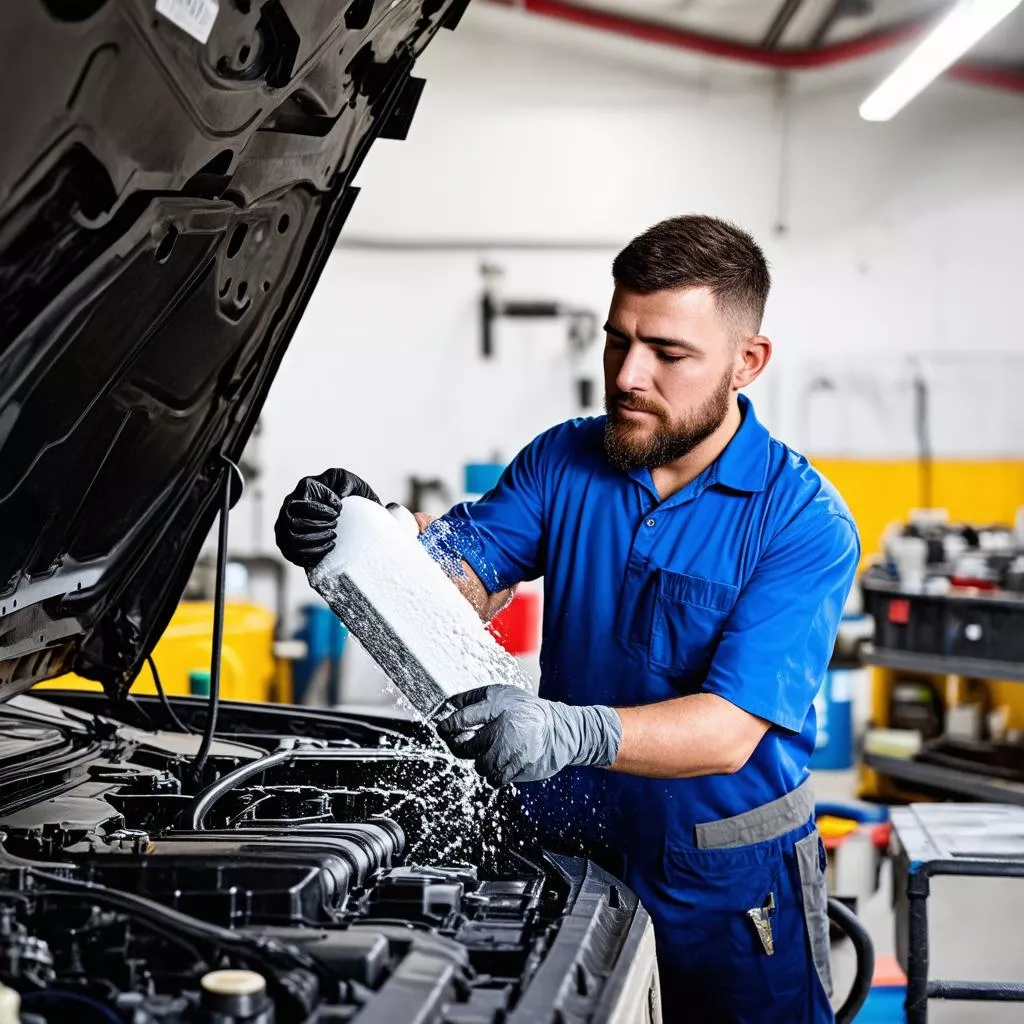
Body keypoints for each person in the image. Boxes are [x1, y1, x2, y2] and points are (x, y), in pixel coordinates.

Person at [275, 214, 860, 1023]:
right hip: (566, 859)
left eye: (668, 353)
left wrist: (568, 733)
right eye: (619, 341)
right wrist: (369, 548)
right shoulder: (565, 459)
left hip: (726, 888)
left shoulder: (803, 522)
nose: (628, 374)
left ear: (747, 362)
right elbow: (461, 582)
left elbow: (730, 729)